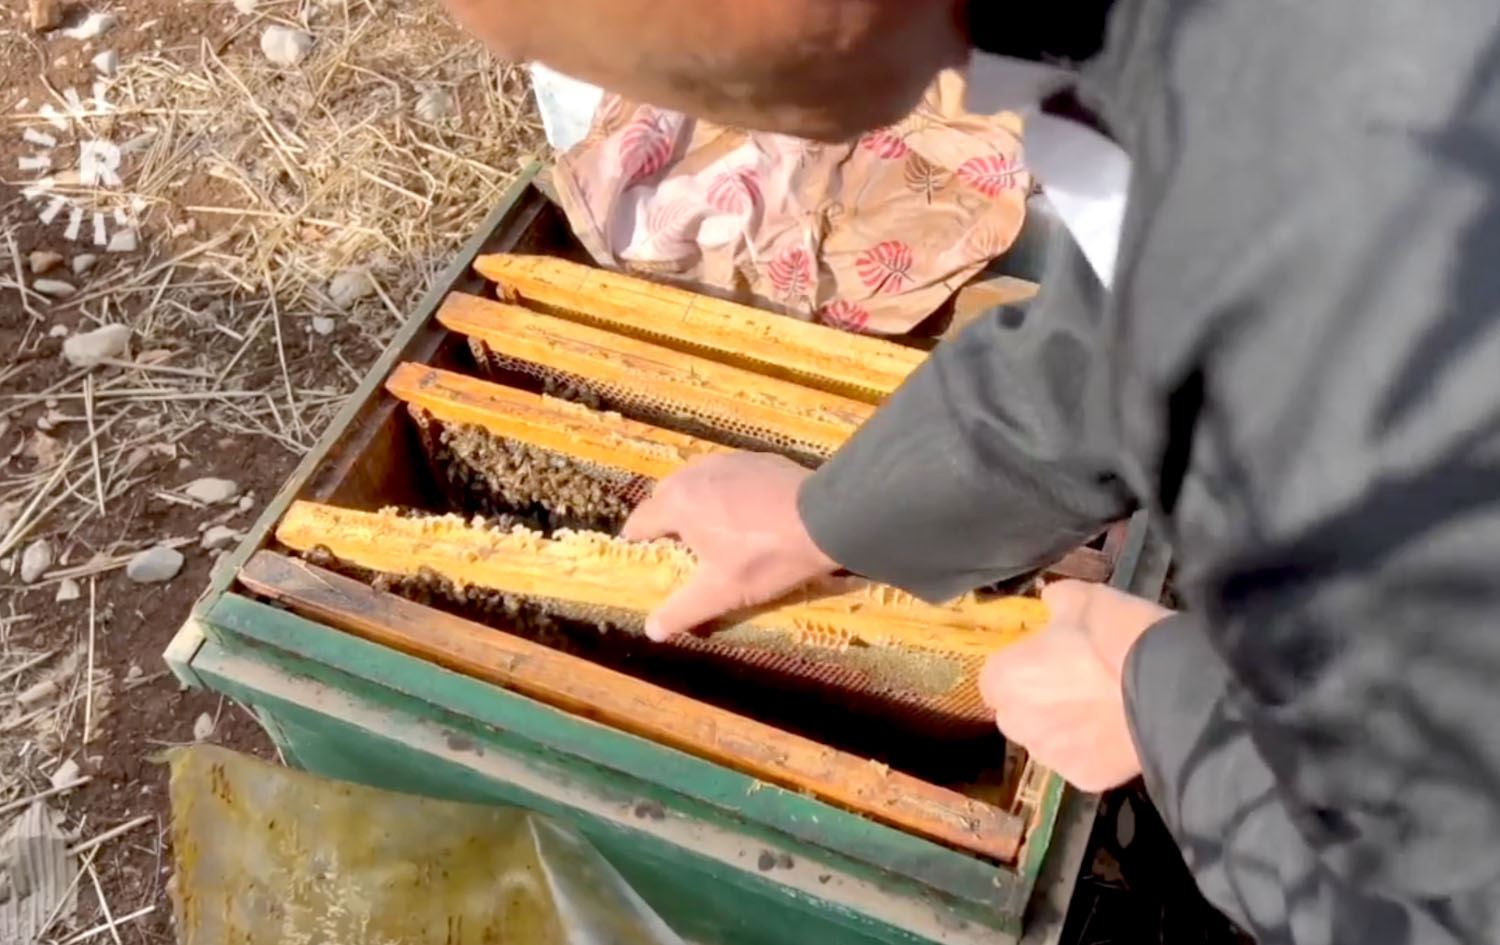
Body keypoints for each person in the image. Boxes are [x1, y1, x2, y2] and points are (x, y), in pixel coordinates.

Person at [446, 1, 1500, 941]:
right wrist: (829, 518)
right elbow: (1153, 300)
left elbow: (1448, 895)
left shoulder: (1403, 218)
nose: (654, 115)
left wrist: (1170, 709)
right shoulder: (1232, 63)